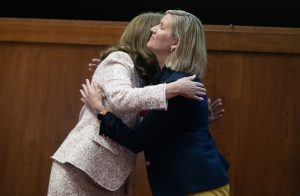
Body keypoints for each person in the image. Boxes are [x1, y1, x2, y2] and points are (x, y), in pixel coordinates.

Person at [47, 12, 207, 196]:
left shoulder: (145, 75)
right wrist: (172, 89)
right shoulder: (120, 59)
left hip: (108, 174)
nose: (154, 31)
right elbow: (121, 98)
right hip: (82, 167)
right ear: (142, 35)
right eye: (155, 27)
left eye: (161, 28)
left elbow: (154, 122)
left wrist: (196, 116)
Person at [81, 10, 229, 196]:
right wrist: (110, 71)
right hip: (193, 183)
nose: (153, 28)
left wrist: (100, 111)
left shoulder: (178, 86)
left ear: (175, 43)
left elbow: (137, 140)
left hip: (196, 186)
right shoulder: (169, 79)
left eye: (161, 27)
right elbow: (148, 89)